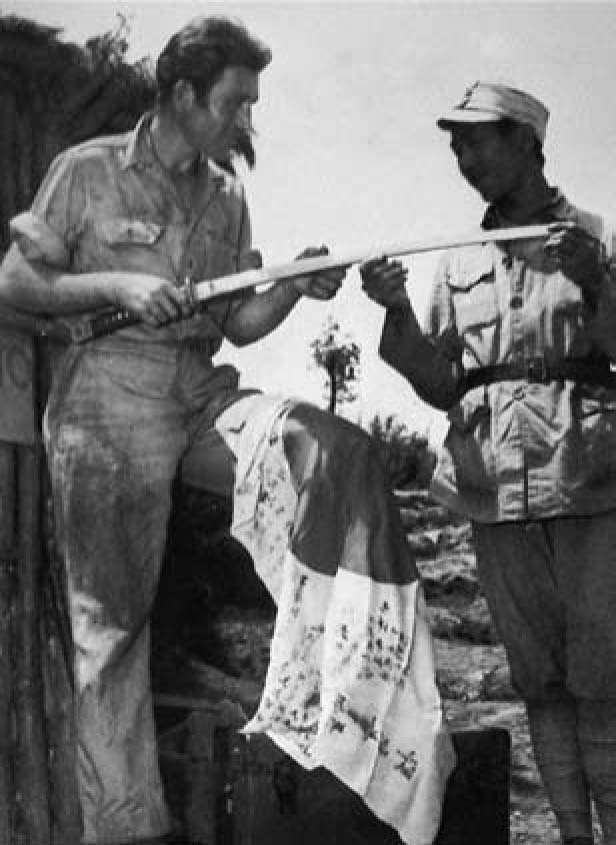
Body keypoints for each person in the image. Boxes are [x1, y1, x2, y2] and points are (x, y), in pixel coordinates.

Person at [0, 16, 454, 845]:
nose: (247, 120)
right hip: (108, 395)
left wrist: (293, 289)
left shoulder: (227, 196)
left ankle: (345, 703)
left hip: (202, 390)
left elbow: (238, 324)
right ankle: (126, 830)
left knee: (331, 451)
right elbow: (17, 281)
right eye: (236, 102)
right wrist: (116, 287)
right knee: (113, 631)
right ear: (183, 94)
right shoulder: (87, 171)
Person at [361, 79, 616, 845]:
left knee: (605, 679)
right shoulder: (459, 259)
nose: (464, 159)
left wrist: (597, 281)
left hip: (589, 480)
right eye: (456, 147)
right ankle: (573, 835)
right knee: (540, 682)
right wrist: (397, 311)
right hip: (495, 490)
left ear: (527, 144)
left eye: (476, 141)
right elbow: (444, 382)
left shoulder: (595, 238)